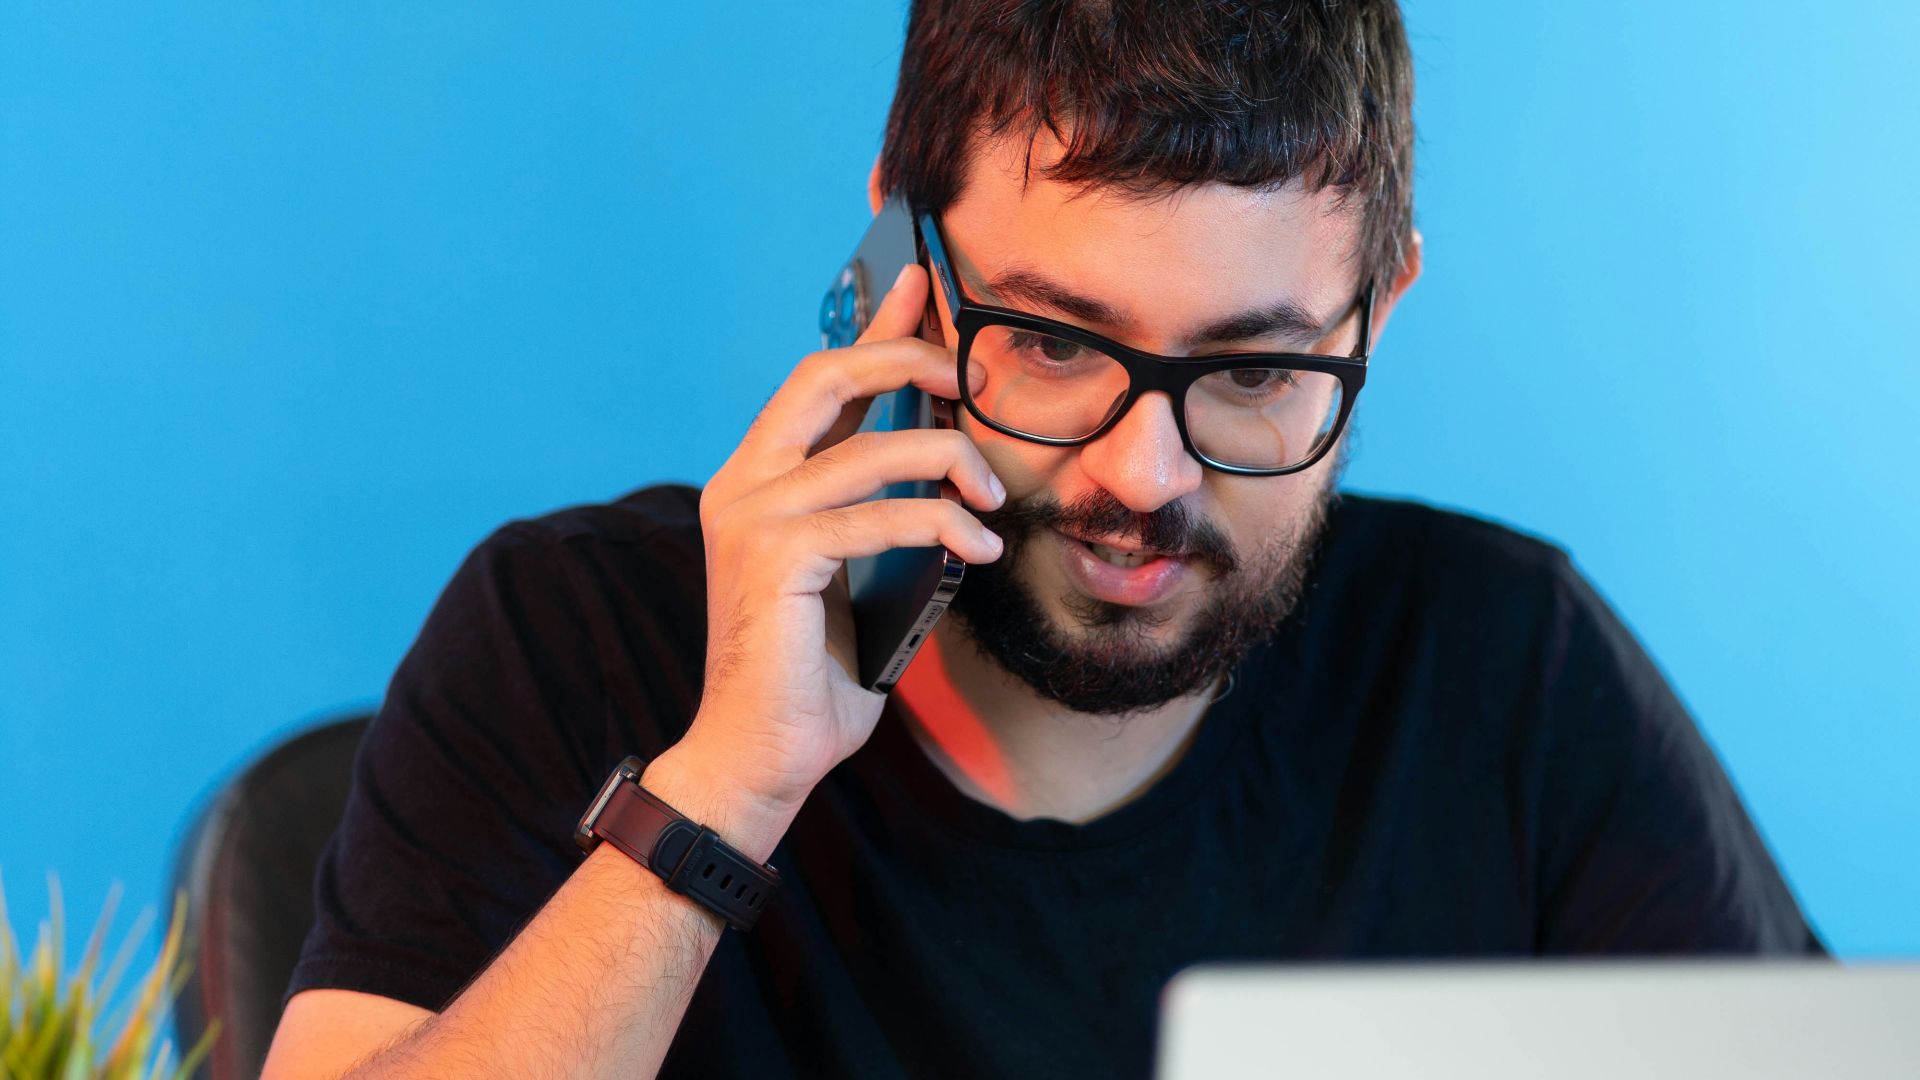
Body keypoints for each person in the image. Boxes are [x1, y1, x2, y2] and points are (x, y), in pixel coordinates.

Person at [263, 2, 1821, 1077]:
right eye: (1058, 342)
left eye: (1257, 371)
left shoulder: (1508, 670)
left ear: (1380, 311)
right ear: (900, 256)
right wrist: (728, 788)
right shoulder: (571, 637)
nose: (1145, 474)